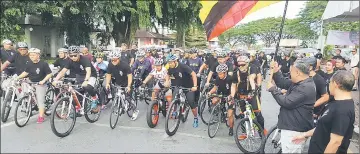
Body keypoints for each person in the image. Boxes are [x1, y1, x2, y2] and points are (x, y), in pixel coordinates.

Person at [292, 70, 355, 153]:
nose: (328, 85)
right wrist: (304, 135)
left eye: (330, 82)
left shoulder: (343, 110)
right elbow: (323, 126)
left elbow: (335, 142)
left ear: (336, 84)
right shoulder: (334, 102)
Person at [267, 59, 316, 153]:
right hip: (293, 127)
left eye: (291, 72)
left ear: (297, 72)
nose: (290, 74)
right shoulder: (301, 82)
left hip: (295, 130)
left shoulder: (305, 87)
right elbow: (283, 82)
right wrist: (276, 71)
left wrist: (273, 89)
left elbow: (286, 102)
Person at [53, 46, 101, 114]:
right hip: (80, 75)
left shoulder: (85, 59)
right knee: (76, 90)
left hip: (90, 75)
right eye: (71, 56)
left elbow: (88, 71)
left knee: (88, 87)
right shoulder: (70, 61)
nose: (73, 57)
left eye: (75, 55)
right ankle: (79, 107)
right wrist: (56, 80)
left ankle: (94, 98)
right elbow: (62, 71)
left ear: (79, 54)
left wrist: (86, 80)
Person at [16, 48, 52, 123]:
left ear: (38, 55)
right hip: (31, 81)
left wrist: (43, 81)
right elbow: (26, 72)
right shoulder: (29, 63)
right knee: (24, 88)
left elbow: (50, 74)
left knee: (40, 101)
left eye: (33, 55)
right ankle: (29, 101)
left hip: (40, 83)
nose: (31, 56)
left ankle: (41, 116)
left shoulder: (43, 64)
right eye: (30, 55)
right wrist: (18, 77)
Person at [164, 54, 199, 127]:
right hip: (178, 85)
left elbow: (193, 74)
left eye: (171, 62)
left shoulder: (183, 66)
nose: (169, 64)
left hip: (188, 86)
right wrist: (167, 81)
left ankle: (195, 118)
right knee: (174, 98)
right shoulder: (170, 67)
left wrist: (195, 86)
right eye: (168, 62)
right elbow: (168, 74)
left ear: (175, 61)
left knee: (191, 103)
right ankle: (174, 111)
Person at [233, 55, 265, 133]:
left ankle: (262, 131)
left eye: (243, 65)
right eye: (239, 65)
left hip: (251, 93)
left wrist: (254, 90)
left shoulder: (252, 68)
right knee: (242, 114)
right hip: (241, 95)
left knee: (257, 113)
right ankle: (245, 132)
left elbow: (252, 77)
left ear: (247, 63)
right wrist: (232, 95)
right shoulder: (236, 71)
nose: (241, 66)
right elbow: (233, 85)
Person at [105, 51, 139, 120]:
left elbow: (130, 76)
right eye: (112, 60)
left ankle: (135, 110)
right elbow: (108, 74)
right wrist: (107, 83)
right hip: (118, 82)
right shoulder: (110, 64)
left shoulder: (125, 65)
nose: (114, 61)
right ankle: (119, 107)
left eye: (115, 60)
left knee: (127, 97)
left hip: (127, 82)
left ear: (119, 58)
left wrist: (129, 86)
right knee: (117, 95)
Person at [207, 64, 236, 136]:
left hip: (229, 95)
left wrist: (231, 96)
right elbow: (215, 87)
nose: (219, 75)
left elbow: (233, 88)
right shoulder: (217, 78)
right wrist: (210, 92)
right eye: (218, 74)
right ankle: (222, 111)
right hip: (221, 94)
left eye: (221, 74)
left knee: (230, 115)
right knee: (214, 100)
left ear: (225, 72)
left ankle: (231, 128)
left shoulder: (230, 78)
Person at [303, 57, 329, 122]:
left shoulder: (319, 80)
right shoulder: (303, 77)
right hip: (302, 110)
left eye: (304, 65)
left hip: (312, 112)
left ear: (311, 67)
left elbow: (325, 97)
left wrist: (311, 106)